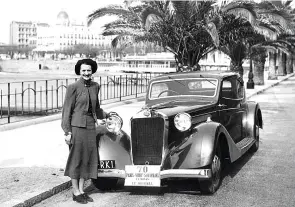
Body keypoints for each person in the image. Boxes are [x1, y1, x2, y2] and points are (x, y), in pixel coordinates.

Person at [61, 58, 106, 204]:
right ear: (79, 72)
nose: (86, 73)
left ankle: (81, 190)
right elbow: (66, 111)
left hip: (90, 126)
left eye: (88, 70)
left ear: (92, 71)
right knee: (76, 158)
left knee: (87, 158)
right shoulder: (72, 87)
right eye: (83, 71)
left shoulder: (95, 86)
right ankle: (75, 191)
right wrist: (67, 132)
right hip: (76, 127)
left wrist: (105, 116)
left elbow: (96, 107)